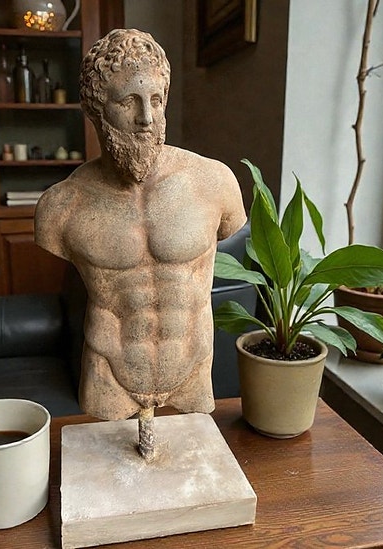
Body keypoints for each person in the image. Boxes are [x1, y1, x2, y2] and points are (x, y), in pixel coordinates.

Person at [35, 28, 246, 427]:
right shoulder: (61, 206)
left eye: (156, 100)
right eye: (128, 101)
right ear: (96, 109)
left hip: (192, 370)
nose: (146, 118)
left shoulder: (214, 183)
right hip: (108, 373)